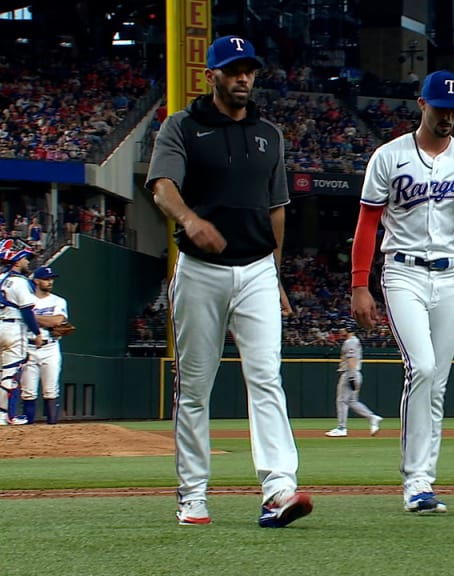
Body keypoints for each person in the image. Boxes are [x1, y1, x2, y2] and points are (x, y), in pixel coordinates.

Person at [146, 35, 312, 528]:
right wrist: (189, 219)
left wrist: (278, 275)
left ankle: (279, 488)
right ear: (211, 74)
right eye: (234, 69)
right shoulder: (182, 127)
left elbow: (277, 209)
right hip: (200, 270)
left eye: (249, 70)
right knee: (195, 388)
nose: (243, 78)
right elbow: (161, 186)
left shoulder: (270, 134)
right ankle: (193, 494)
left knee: (266, 379)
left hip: (258, 268)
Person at [350, 70, 454, 513]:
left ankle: (425, 483)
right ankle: (414, 481)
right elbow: (367, 223)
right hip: (402, 273)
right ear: (422, 104)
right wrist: (360, 284)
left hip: (452, 274)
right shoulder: (389, 156)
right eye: (441, 107)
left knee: (437, 382)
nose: (448, 116)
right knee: (420, 367)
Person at [0, 241, 44, 425]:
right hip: (13, 327)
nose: (28, 262)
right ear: (16, 261)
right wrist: (37, 332)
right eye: (25, 258)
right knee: (10, 374)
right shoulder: (19, 282)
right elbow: (27, 311)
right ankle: (5, 415)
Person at [18, 266, 67, 424]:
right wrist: (45, 320)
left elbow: (57, 321)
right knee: (28, 392)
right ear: (36, 281)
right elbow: (50, 320)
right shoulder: (27, 299)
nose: (50, 282)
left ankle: (52, 428)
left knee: (51, 389)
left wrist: (30, 316)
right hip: (29, 346)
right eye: (46, 279)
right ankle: (28, 430)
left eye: (51, 278)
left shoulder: (58, 300)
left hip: (50, 347)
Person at [325, 320, 383, 438]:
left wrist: (351, 377)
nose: (340, 330)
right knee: (352, 401)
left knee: (342, 400)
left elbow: (351, 360)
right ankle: (372, 418)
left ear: (348, 329)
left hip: (349, 373)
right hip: (355, 373)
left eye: (343, 328)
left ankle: (342, 428)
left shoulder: (350, 342)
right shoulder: (354, 341)